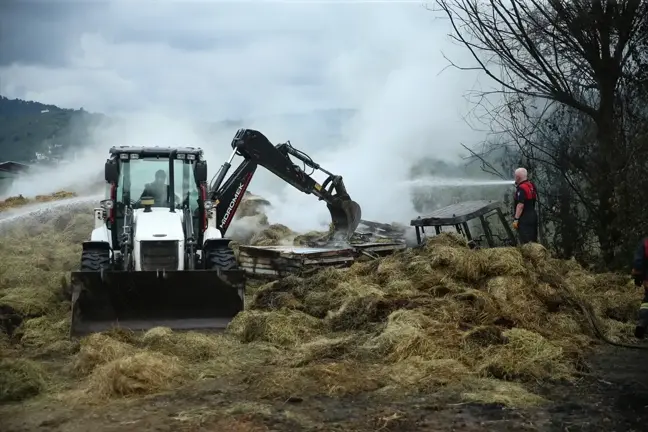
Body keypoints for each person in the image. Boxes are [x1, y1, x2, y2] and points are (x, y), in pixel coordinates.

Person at [512, 167, 538, 244]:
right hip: (533, 215)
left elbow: (520, 205)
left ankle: (529, 255)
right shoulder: (531, 185)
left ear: (518, 177)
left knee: (526, 242)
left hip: (524, 218)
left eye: (515, 176)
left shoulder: (521, 188)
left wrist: (516, 219)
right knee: (533, 239)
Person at [630, 238, 648, 338]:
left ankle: (642, 323)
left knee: (647, 302)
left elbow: (638, 262)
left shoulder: (646, 243)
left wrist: (638, 277)